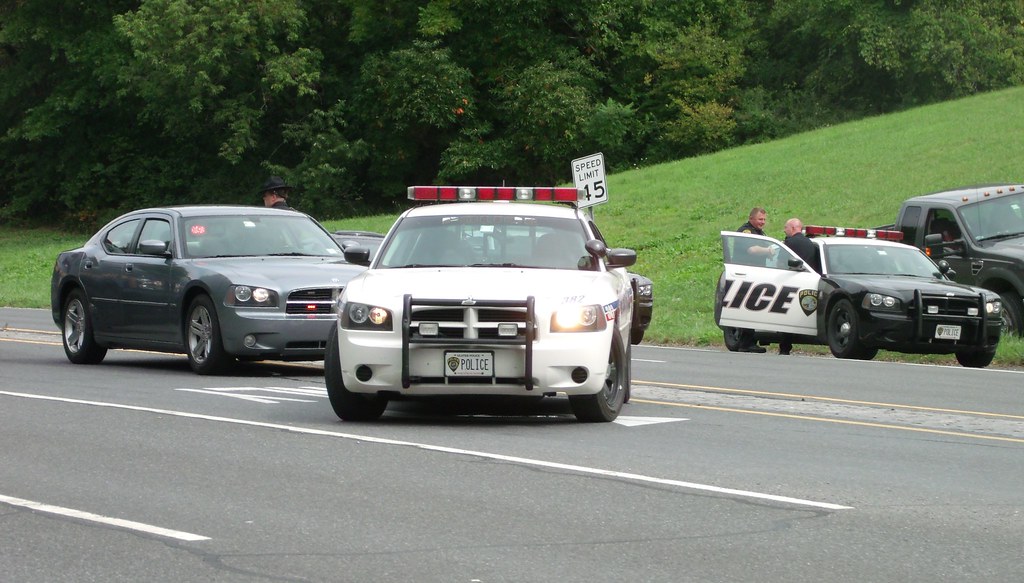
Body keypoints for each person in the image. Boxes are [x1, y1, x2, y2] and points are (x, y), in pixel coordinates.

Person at [778, 217, 820, 356]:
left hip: (789, 281)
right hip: (808, 281)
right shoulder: (810, 242)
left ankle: (785, 346)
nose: (785, 230)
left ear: (793, 228)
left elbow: (780, 262)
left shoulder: (789, 243)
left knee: (785, 313)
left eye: (786, 228)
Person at [734, 207, 768, 353]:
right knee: (749, 306)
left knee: (752, 306)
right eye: (760, 219)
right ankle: (745, 342)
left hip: (755, 275)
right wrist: (769, 250)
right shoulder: (746, 232)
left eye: (764, 219)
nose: (763, 222)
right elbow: (752, 250)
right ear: (751, 218)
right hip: (746, 275)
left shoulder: (759, 232)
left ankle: (747, 341)